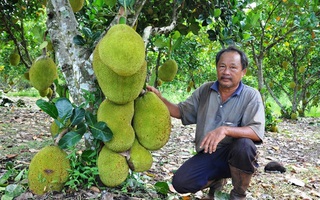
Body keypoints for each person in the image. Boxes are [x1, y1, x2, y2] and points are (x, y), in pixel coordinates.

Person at [146, 46, 265, 200]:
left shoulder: (251, 95)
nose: (226, 72)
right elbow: (180, 111)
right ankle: (217, 180)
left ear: (243, 72)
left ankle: (238, 194)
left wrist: (225, 130)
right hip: (209, 154)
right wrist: (160, 99)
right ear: (217, 68)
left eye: (233, 67)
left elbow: (256, 132)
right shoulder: (205, 90)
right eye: (222, 66)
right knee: (181, 182)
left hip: (235, 155)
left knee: (245, 146)